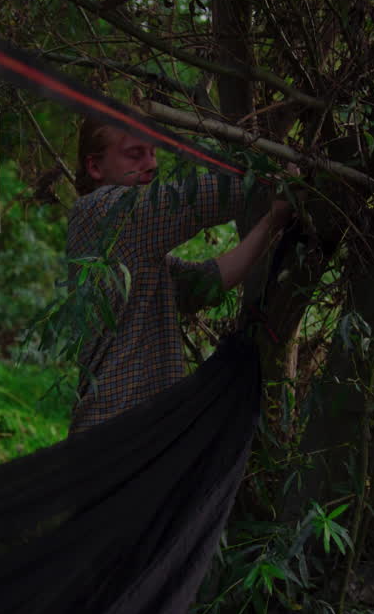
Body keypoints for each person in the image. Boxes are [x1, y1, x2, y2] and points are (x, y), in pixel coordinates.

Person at [67, 116, 293, 433]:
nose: (151, 165)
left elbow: (201, 285)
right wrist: (275, 179)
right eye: (135, 154)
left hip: (142, 432)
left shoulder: (135, 249)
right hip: (112, 435)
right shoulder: (103, 212)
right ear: (95, 167)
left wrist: (271, 222)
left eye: (153, 153)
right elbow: (186, 200)